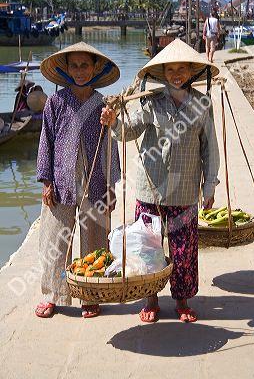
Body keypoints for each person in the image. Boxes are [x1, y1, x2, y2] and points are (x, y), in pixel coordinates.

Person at [100, 38, 220, 323]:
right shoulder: (149, 102)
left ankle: (181, 300)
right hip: (150, 188)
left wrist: (209, 185)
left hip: (185, 191)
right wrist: (113, 121)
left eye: (181, 69)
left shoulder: (203, 105)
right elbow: (128, 131)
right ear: (162, 74)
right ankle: (151, 299)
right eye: (170, 70)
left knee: (184, 248)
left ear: (191, 70)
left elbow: (210, 148)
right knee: (148, 248)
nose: (176, 74)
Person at [35, 41, 121, 318]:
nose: (80, 71)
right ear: (66, 68)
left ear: (95, 68)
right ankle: (53, 294)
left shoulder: (101, 105)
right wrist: (47, 181)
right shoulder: (56, 102)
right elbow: (46, 141)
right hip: (62, 180)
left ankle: (90, 294)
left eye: (85, 65)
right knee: (56, 240)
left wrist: (111, 186)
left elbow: (110, 146)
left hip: (94, 181)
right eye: (75, 65)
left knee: (94, 238)